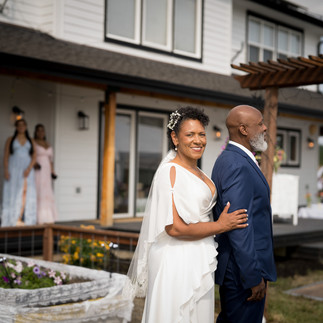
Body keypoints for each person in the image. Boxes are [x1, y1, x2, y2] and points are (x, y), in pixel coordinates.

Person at [124, 106, 248, 323]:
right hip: (175, 261)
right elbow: (175, 228)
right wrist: (221, 225)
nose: (198, 140)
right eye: (190, 134)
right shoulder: (168, 172)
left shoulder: (201, 173)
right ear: (175, 137)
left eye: (201, 134)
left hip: (199, 256)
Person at [211, 105, 277, 323]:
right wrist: (252, 276)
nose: (265, 127)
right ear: (243, 129)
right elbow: (239, 225)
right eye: (259, 123)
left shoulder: (235, 158)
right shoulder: (236, 164)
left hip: (241, 268)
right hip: (242, 272)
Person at [1, 119, 37, 226]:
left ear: (26, 127)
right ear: (16, 127)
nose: (21, 127)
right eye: (19, 125)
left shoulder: (31, 140)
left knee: (26, 191)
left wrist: (29, 168)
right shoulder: (10, 139)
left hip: (26, 168)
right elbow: (6, 155)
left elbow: (34, 156)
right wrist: (6, 170)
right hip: (14, 168)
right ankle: (12, 218)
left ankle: (23, 217)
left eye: (23, 125)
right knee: (14, 192)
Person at [34, 124, 58, 224]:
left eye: (42, 130)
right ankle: (37, 216)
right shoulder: (34, 142)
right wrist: (34, 163)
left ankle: (47, 216)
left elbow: (50, 160)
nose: (41, 133)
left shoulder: (47, 143)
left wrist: (52, 171)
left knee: (47, 191)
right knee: (38, 189)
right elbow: (31, 155)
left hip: (47, 170)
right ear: (35, 132)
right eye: (38, 131)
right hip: (38, 169)